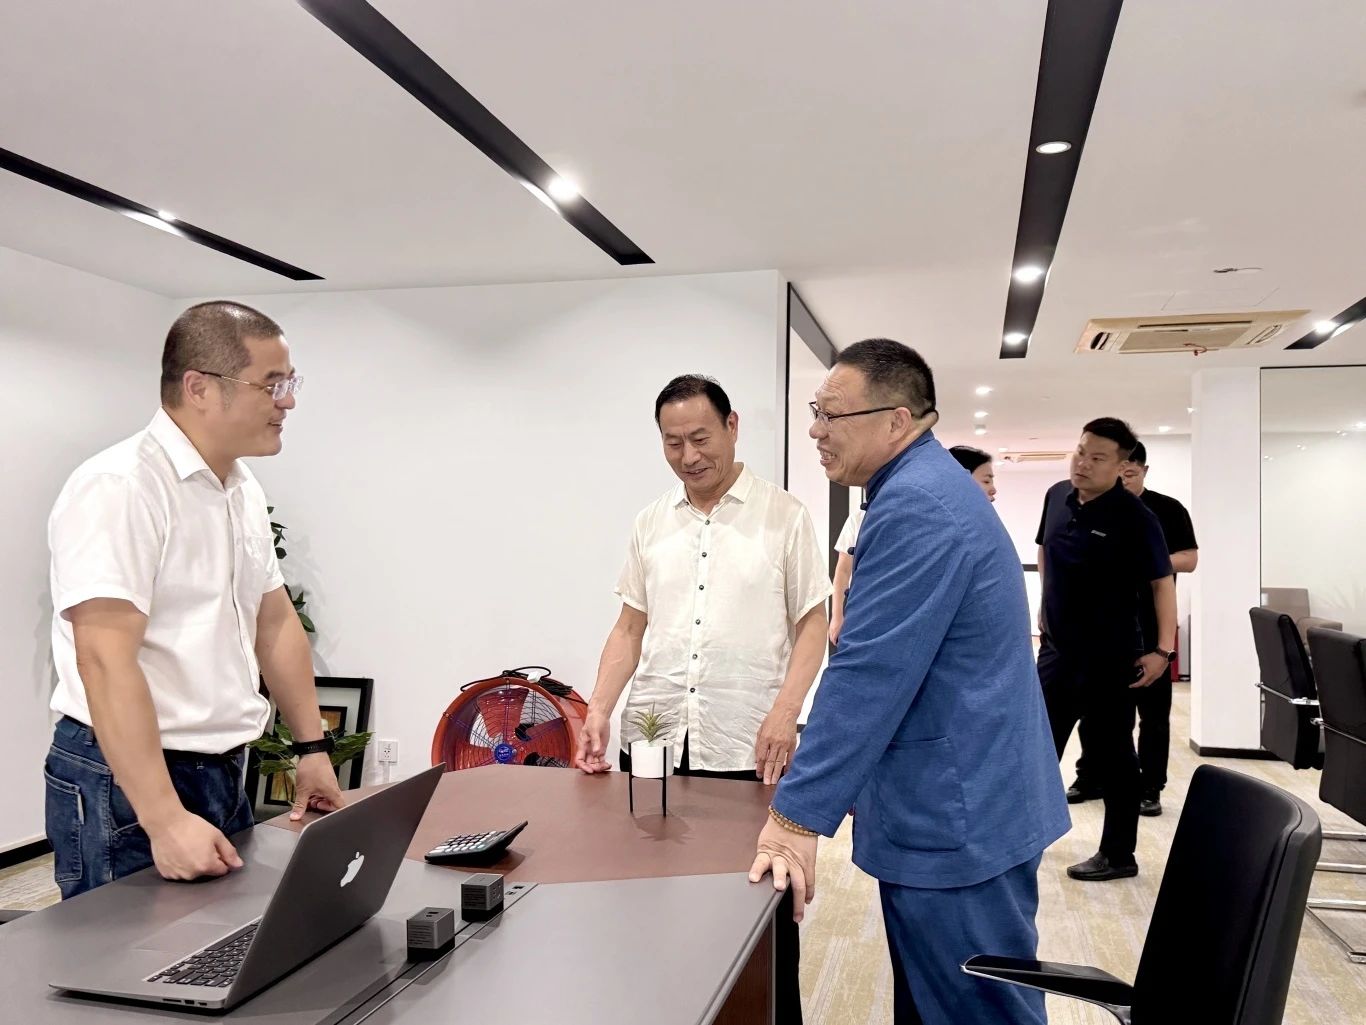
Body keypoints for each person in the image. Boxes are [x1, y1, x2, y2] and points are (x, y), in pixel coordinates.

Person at [748, 338, 1068, 1025]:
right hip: (964, 795)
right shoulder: (916, 489)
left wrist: (795, 817)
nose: (816, 429)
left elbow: (869, 675)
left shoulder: (919, 504)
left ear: (897, 420)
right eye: (815, 412)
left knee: (976, 1009)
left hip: (961, 813)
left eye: (832, 414)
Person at [44, 301, 345, 900]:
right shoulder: (120, 487)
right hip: (128, 777)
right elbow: (103, 659)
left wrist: (311, 748)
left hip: (221, 766)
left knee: (220, 943)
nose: (287, 401)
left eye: (290, 382)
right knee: (126, 952)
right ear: (199, 388)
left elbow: (272, 619)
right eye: (271, 384)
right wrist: (162, 818)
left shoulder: (239, 487)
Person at [576, 373, 830, 1025]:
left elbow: (813, 623)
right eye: (672, 442)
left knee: (760, 913)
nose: (688, 455)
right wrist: (599, 707)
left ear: (732, 426)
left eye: (700, 437)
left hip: (748, 746)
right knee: (652, 905)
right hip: (654, 744)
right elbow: (629, 626)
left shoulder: (784, 516)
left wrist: (787, 711)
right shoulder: (651, 523)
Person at [1035, 419, 1176, 882]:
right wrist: (1043, 608)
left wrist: (1163, 651)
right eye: (1080, 451)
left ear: (1121, 466)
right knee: (1036, 749)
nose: (1083, 463)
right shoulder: (1057, 496)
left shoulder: (1136, 517)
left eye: (1097, 458)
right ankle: (1024, 838)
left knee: (1114, 756)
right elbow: (1045, 550)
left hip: (1110, 658)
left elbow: (1162, 584)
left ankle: (1118, 854)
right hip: (1056, 654)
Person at [1068, 441, 1197, 816]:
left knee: (1153, 716)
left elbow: (1189, 559)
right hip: (1102, 631)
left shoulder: (1167, 510)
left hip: (1152, 629)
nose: (1123, 480)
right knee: (1097, 712)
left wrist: (1148, 558)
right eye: (1118, 473)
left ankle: (1150, 786)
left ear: (1143, 470)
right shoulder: (1094, 507)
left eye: (1130, 473)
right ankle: (1089, 777)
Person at [831, 444, 996, 646]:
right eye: (986, 480)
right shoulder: (864, 519)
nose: (993, 489)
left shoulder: (962, 529)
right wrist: (837, 616)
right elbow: (843, 571)